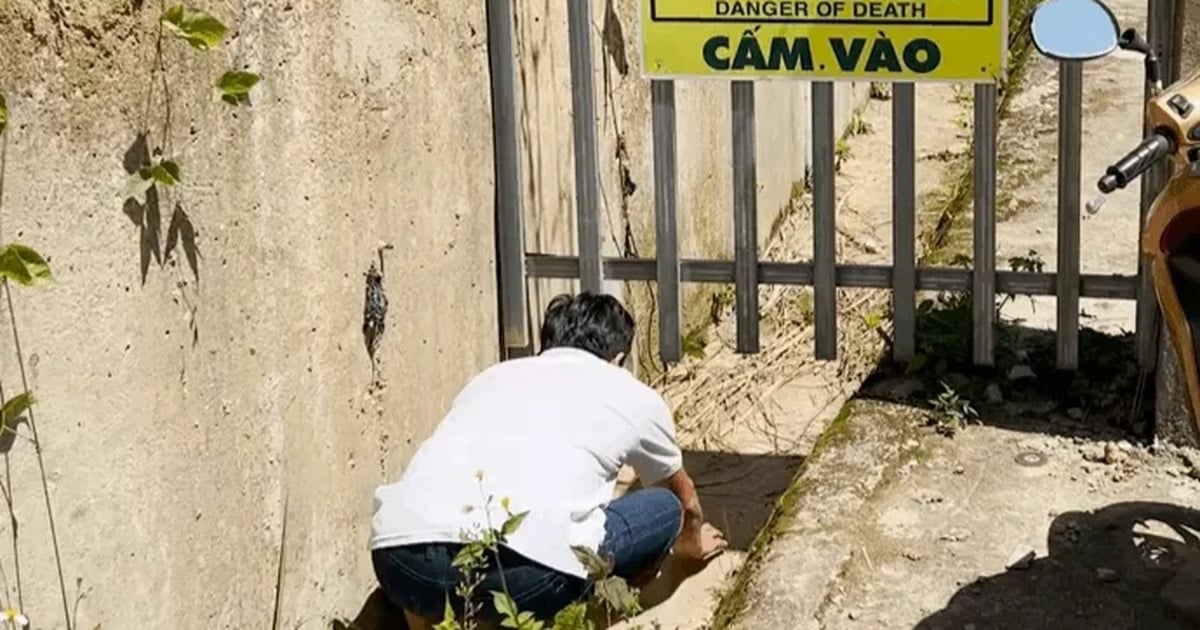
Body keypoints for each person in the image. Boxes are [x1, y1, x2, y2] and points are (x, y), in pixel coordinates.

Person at [369, 292, 728, 627]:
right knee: (664, 508)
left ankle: (432, 616)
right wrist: (690, 542)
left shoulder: (491, 377)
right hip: (526, 580)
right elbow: (683, 496)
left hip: (397, 561)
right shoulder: (632, 394)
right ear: (619, 358)